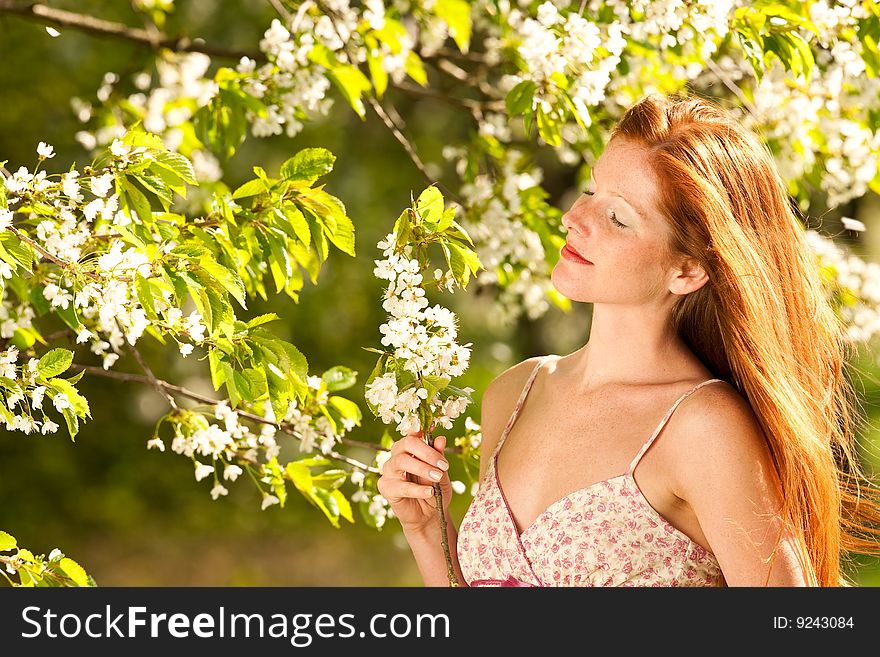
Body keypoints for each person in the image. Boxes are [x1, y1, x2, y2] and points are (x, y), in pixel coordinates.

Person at [377, 91, 880, 587]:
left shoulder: (703, 428)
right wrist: (426, 529)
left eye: (618, 217)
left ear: (687, 270)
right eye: (592, 191)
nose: (575, 218)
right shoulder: (513, 395)